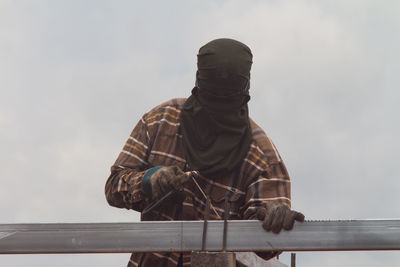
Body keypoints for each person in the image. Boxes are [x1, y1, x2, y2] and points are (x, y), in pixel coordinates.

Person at [105, 38, 304, 267]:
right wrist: (148, 181)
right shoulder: (160, 121)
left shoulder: (262, 157)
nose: (217, 111)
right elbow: (113, 187)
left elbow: (266, 249)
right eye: (212, 98)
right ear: (198, 83)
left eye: (225, 100)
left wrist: (274, 220)